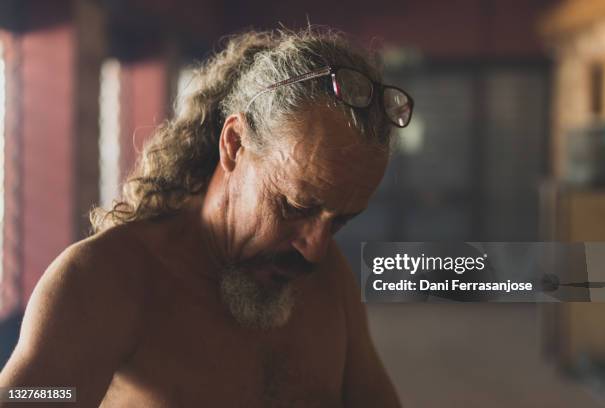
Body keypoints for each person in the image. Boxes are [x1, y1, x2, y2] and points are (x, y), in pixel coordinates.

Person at [0, 28, 413, 407]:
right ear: (234, 144)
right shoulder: (109, 281)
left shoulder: (326, 279)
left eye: (340, 220)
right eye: (295, 208)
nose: (316, 248)